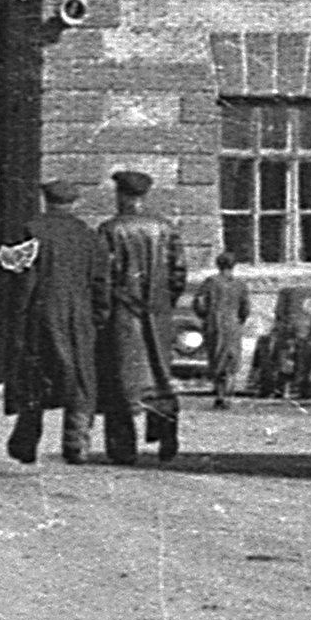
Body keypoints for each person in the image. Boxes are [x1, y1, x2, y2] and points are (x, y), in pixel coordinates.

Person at [0, 176, 106, 463]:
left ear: (46, 200)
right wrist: (97, 316)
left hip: (39, 315)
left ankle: (26, 440)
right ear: (74, 203)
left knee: (35, 376)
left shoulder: (30, 232)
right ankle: (77, 442)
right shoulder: (89, 236)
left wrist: (17, 316)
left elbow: (20, 279)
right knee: (80, 378)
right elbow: (100, 282)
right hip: (79, 317)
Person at [93, 166, 186, 466]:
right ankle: (166, 434)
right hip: (158, 314)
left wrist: (102, 312)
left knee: (121, 381)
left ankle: (123, 447)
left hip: (122, 314)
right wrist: (163, 303)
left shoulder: (110, 230)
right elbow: (178, 274)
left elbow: (102, 277)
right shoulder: (166, 229)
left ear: (121, 195)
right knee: (160, 376)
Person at [194, 249, 255, 409]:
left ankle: (220, 394)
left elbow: (199, 303)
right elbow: (246, 307)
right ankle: (227, 395)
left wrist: (205, 317)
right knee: (231, 360)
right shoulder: (240, 285)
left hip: (215, 325)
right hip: (233, 325)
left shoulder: (210, 282)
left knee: (217, 359)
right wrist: (239, 320)